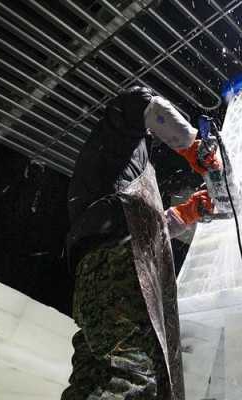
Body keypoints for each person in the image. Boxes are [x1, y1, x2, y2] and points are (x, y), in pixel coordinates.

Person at [62, 86, 218, 400]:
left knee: (92, 378)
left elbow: (147, 227)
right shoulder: (119, 132)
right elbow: (140, 99)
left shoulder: (122, 169)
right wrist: (193, 146)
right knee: (133, 377)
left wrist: (187, 212)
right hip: (118, 268)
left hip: (95, 278)